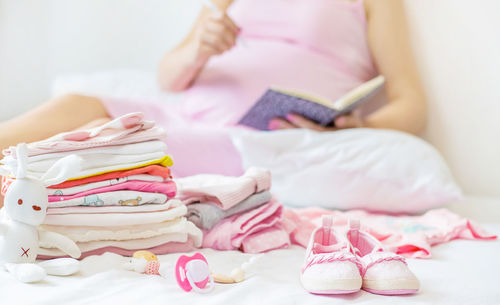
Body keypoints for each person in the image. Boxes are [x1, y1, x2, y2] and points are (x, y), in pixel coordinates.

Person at [0, 0, 426, 174]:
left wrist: (349, 128)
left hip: (251, 135)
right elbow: (168, 75)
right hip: (185, 109)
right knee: (80, 105)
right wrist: (198, 48)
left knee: (109, 147)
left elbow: (410, 103)